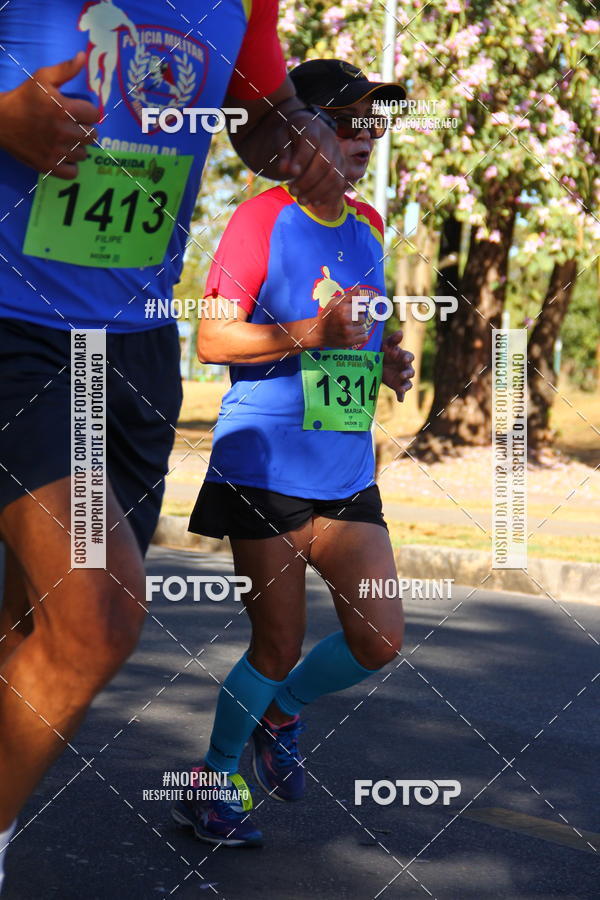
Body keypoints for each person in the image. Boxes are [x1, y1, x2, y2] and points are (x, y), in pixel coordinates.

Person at [0, 3, 347, 889]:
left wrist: (295, 132)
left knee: (32, 624)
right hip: (15, 322)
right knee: (98, 617)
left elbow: (259, 115)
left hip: (134, 347)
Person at [172, 58, 415, 847]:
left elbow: (358, 336)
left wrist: (387, 361)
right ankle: (212, 782)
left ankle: (280, 716)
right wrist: (312, 331)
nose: (366, 137)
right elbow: (212, 337)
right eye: (348, 122)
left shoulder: (370, 224)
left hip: (344, 472)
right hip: (265, 469)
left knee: (379, 636)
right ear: (300, 130)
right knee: (275, 645)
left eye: (374, 123)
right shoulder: (259, 220)